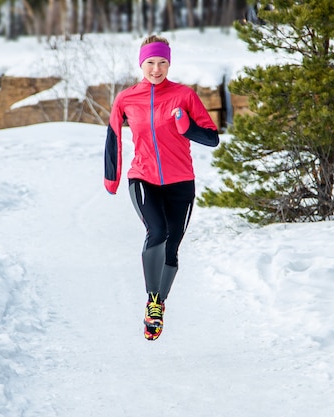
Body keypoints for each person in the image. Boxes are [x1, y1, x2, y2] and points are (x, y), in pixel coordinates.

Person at [104, 35, 220, 341]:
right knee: (157, 231)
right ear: (141, 64)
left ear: (170, 63)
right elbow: (113, 136)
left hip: (181, 181)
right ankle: (152, 300)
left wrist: (188, 128)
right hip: (143, 177)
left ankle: (158, 303)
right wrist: (111, 178)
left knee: (172, 246)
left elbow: (212, 137)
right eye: (151, 63)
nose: (157, 69)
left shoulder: (184, 95)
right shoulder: (127, 99)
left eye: (163, 62)